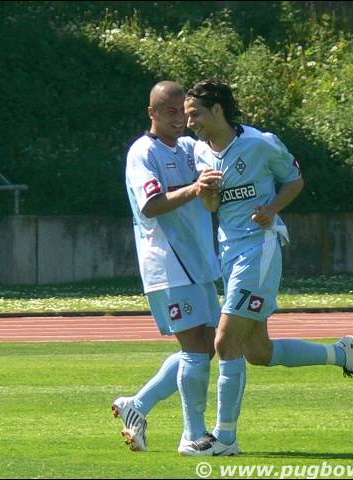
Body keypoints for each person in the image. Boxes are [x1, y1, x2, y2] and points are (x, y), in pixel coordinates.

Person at [179, 79, 353, 457]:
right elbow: (212, 208)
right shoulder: (201, 153)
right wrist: (208, 194)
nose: (190, 123)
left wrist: (272, 209)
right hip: (229, 251)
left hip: (260, 249)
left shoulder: (261, 143)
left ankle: (225, 438)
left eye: (195, 114)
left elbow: (294, 180)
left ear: (217, 110)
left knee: (224, 341)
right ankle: (342, 354)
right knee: (258, 351)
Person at [113, 80, 223, 453]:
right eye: (171, 112)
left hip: (199, 262)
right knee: (194, 350)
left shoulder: (192, 148)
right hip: (169, 264)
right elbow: (151, 205)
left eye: (184, 112)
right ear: (153, 113)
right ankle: (193, 435)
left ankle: (137, 405)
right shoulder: (142, 152)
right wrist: (195, 188)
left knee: (208, 348)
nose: (179, 119)